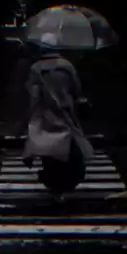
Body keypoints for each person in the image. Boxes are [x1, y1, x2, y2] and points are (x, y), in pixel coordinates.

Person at [22, 34, 94, 201]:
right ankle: (66, 182)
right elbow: (76, 90)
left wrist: (28, 118)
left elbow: (34, 96)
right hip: (66, 114)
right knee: (69, 147)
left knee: (49, 151)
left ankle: (54, 185)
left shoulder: (36, 68)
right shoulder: (67, 66)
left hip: (46, 115)